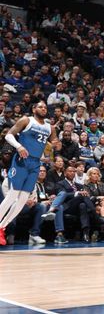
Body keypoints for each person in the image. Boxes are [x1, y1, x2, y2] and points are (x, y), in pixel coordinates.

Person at [0, 101, 55, 245]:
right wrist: (19, 147)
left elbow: (49, 143)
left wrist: (53, 147)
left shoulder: (49, 127)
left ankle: (2, 227)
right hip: (22, 160)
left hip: (36, 163)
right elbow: (9, 136)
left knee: (23, 199)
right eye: (40, 106)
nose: (43, 109)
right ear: (34, 108)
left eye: (45, 107)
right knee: (12, 196)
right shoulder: (26, 120)